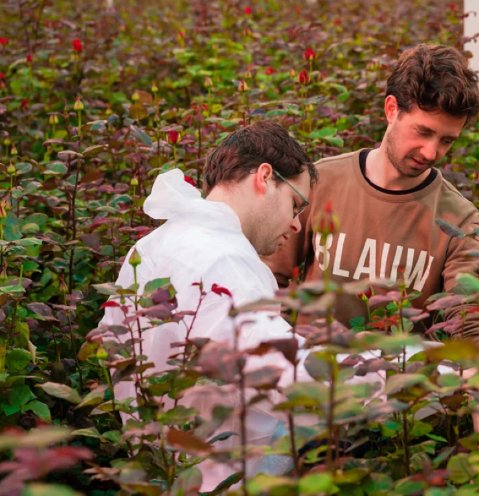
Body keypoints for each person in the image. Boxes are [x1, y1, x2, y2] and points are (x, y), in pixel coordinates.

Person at [97, 121, 317, 491]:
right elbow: (279, 370)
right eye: (295, 204)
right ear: (264, 177)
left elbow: (114, 347)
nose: (296, 225)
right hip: (223, 477)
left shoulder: (153, 244)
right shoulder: (227, 262)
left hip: (159, 467)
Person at [265, 43, 479, 345]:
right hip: (315, 377)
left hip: (403, 382)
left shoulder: (459, 218)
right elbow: (266, 282)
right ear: (391, 110)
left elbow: (469, 317)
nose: (431, 151)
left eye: (447, 141)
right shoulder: (319, 183)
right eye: (423, 132)